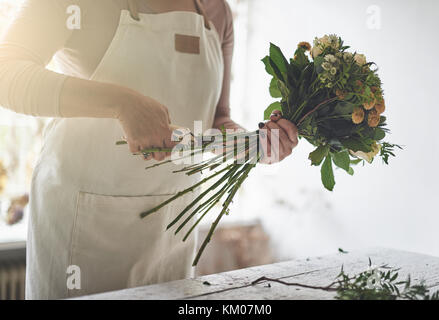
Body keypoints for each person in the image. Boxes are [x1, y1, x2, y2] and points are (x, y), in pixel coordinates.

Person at [0, 0, 298, 299]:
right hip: (83, 228)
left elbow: (217, 119)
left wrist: (253, 145)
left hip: (173, 228)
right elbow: (6, 74)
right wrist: (121, 103)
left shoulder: (216, 10)